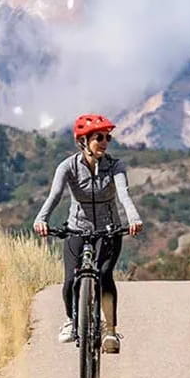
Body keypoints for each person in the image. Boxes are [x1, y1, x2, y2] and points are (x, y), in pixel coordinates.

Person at [33, 113, 143, 353]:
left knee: (104, 274)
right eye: (98, 138)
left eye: (107, 137)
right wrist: (41, 219)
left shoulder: (115, 166)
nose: (104, 142)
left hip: (109, 230)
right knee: (71, 280)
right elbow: (54, 196)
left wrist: (133, 218)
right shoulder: (68, 166)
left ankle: (110, 332)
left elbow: (124, 195)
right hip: (77, 228)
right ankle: (72, 320)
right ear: (83, 141)